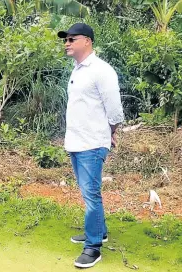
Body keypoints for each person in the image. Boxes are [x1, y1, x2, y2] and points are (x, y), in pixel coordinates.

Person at [57, 23, 124, 268]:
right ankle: (99, 230)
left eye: (71, 39)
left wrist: (112, 131)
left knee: (91, 194)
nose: (67, 43)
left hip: (92, 143)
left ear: (87, 41)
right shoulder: (78, 70)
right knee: (89, 193)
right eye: (66, 39)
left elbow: (114, 108)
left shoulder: (101, 70)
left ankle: (94, 247)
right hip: (76, 141)